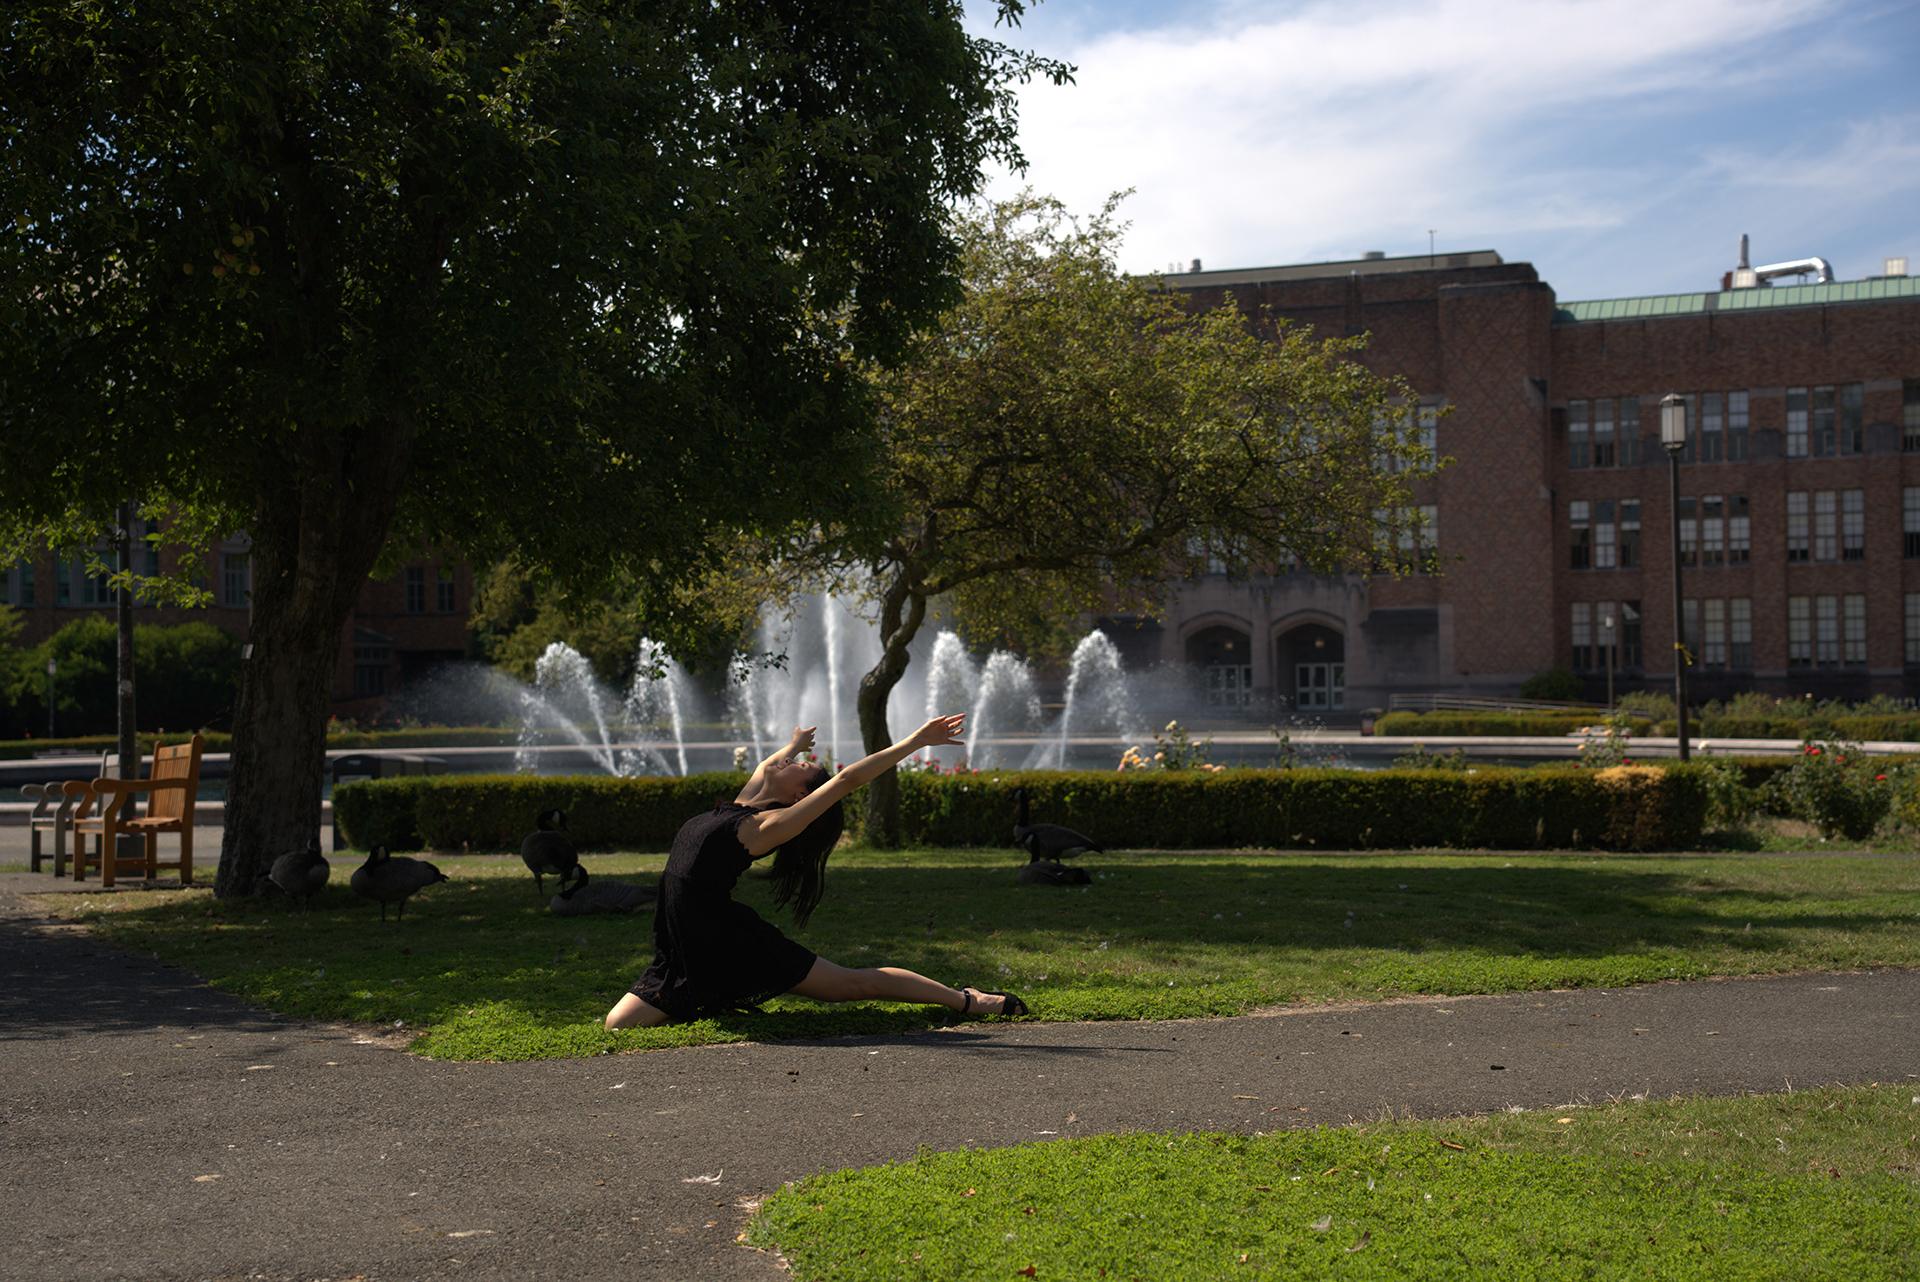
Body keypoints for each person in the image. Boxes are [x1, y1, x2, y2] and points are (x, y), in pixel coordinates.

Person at [604, 713, 1027, 1029]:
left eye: (802, 765)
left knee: (851, 985)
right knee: (617, 1026)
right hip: (684, 943)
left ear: (801, 793)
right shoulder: (745, 801)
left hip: (730, 939)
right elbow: (766, 768)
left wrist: (916, 741)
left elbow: (846, 782)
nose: (794, 761)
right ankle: (717, 995)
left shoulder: (765, 827)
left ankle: (967, 1000)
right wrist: (793, 745)